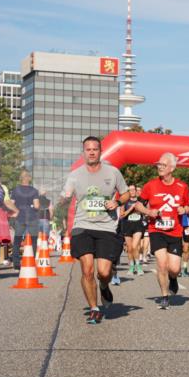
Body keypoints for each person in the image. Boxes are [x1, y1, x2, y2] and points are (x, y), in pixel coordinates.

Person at [62, 136, 130, 324]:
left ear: (100, 151)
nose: (91, 152)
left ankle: (104, 286)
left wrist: (116, 201)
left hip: (107, 227)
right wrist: (64, 199)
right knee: (87, 269)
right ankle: (94, 308)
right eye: (88, 149)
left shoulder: (113, 172)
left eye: (95, 149)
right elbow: (64, 196)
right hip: (82, 226)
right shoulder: (75, 175)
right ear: (83, 152)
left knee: (104, 272)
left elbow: (125, 194)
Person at [135, 153, 189, 310]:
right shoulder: (150, 185)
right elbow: (138, 205)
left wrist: (184, 209)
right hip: (156, 230)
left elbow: (188, 206)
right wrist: (148, 211)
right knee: (161, 263)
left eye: (163, 165)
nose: (159, 167)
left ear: (172, 168)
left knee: (174, 268)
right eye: (158, 164)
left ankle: (173, 279)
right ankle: (164, 296)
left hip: (175, 231)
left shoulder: (182, 186)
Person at [11, 170, 41, 270]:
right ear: (29, 178)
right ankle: (31, 261)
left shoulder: (15, 190)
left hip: (19, 217)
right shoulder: (34, 191)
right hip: (32, 217)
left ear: (21, 179)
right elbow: (37, 205)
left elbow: (11, 204)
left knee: (17, 241)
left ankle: (16, 264)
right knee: (33, 240)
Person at [118, 184, 146, 275]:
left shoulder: (140, 200)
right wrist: (131, 208)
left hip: (138, 225)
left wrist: (141, 210)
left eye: (133, 189)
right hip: (127, 225)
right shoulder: (124, 202)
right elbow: (122, 215)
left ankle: (138, 266)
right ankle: (131, 266)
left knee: (135, 246)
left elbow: (145, 212)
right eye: (130, 190)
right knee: (130, 249)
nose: (132, 191)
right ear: (128, 192)